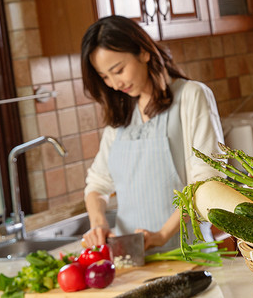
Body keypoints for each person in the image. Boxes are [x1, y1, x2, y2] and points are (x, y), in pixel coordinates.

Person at [80, 15, 224, 253]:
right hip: (133, 261)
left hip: (189, 256)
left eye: (118, 70)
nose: (115, 84)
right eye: (105, 77)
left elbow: (207, 182)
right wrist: (98, 223)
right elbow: (97, 183)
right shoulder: (121, 114)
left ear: (144, 52)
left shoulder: (191, 96)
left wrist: (162, 235)